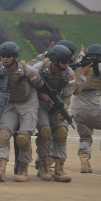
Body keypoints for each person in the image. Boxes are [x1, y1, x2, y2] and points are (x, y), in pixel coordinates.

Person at [0, 42, 44, 182]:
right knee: (3, 134)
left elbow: (40, 85)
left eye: (8, 56)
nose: (5, 59)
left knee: (23, 138)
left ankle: (23, 168)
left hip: (28, 104)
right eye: (2, 56)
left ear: (15, 57)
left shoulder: (28, 71)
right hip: (9, 105)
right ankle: (1, 167)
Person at [32, 45, 77, 182]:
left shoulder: (69, 74)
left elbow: (67, 96)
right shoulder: (38, 69)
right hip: (40, 105)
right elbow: (27, 87)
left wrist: (63, 110)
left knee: (62, 132)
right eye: (64, 62)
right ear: (55, 61)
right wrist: (41, 95)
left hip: (57, 104)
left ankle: (59, 169)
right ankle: (44, 165)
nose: (67, 65)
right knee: (45, 131)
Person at [71, 44, 101, 172]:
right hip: (93, 108)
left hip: (76, 109)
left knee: (85, 136)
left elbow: (80, 60)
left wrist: (81, 53)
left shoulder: (79, 64)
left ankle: (85, 163)